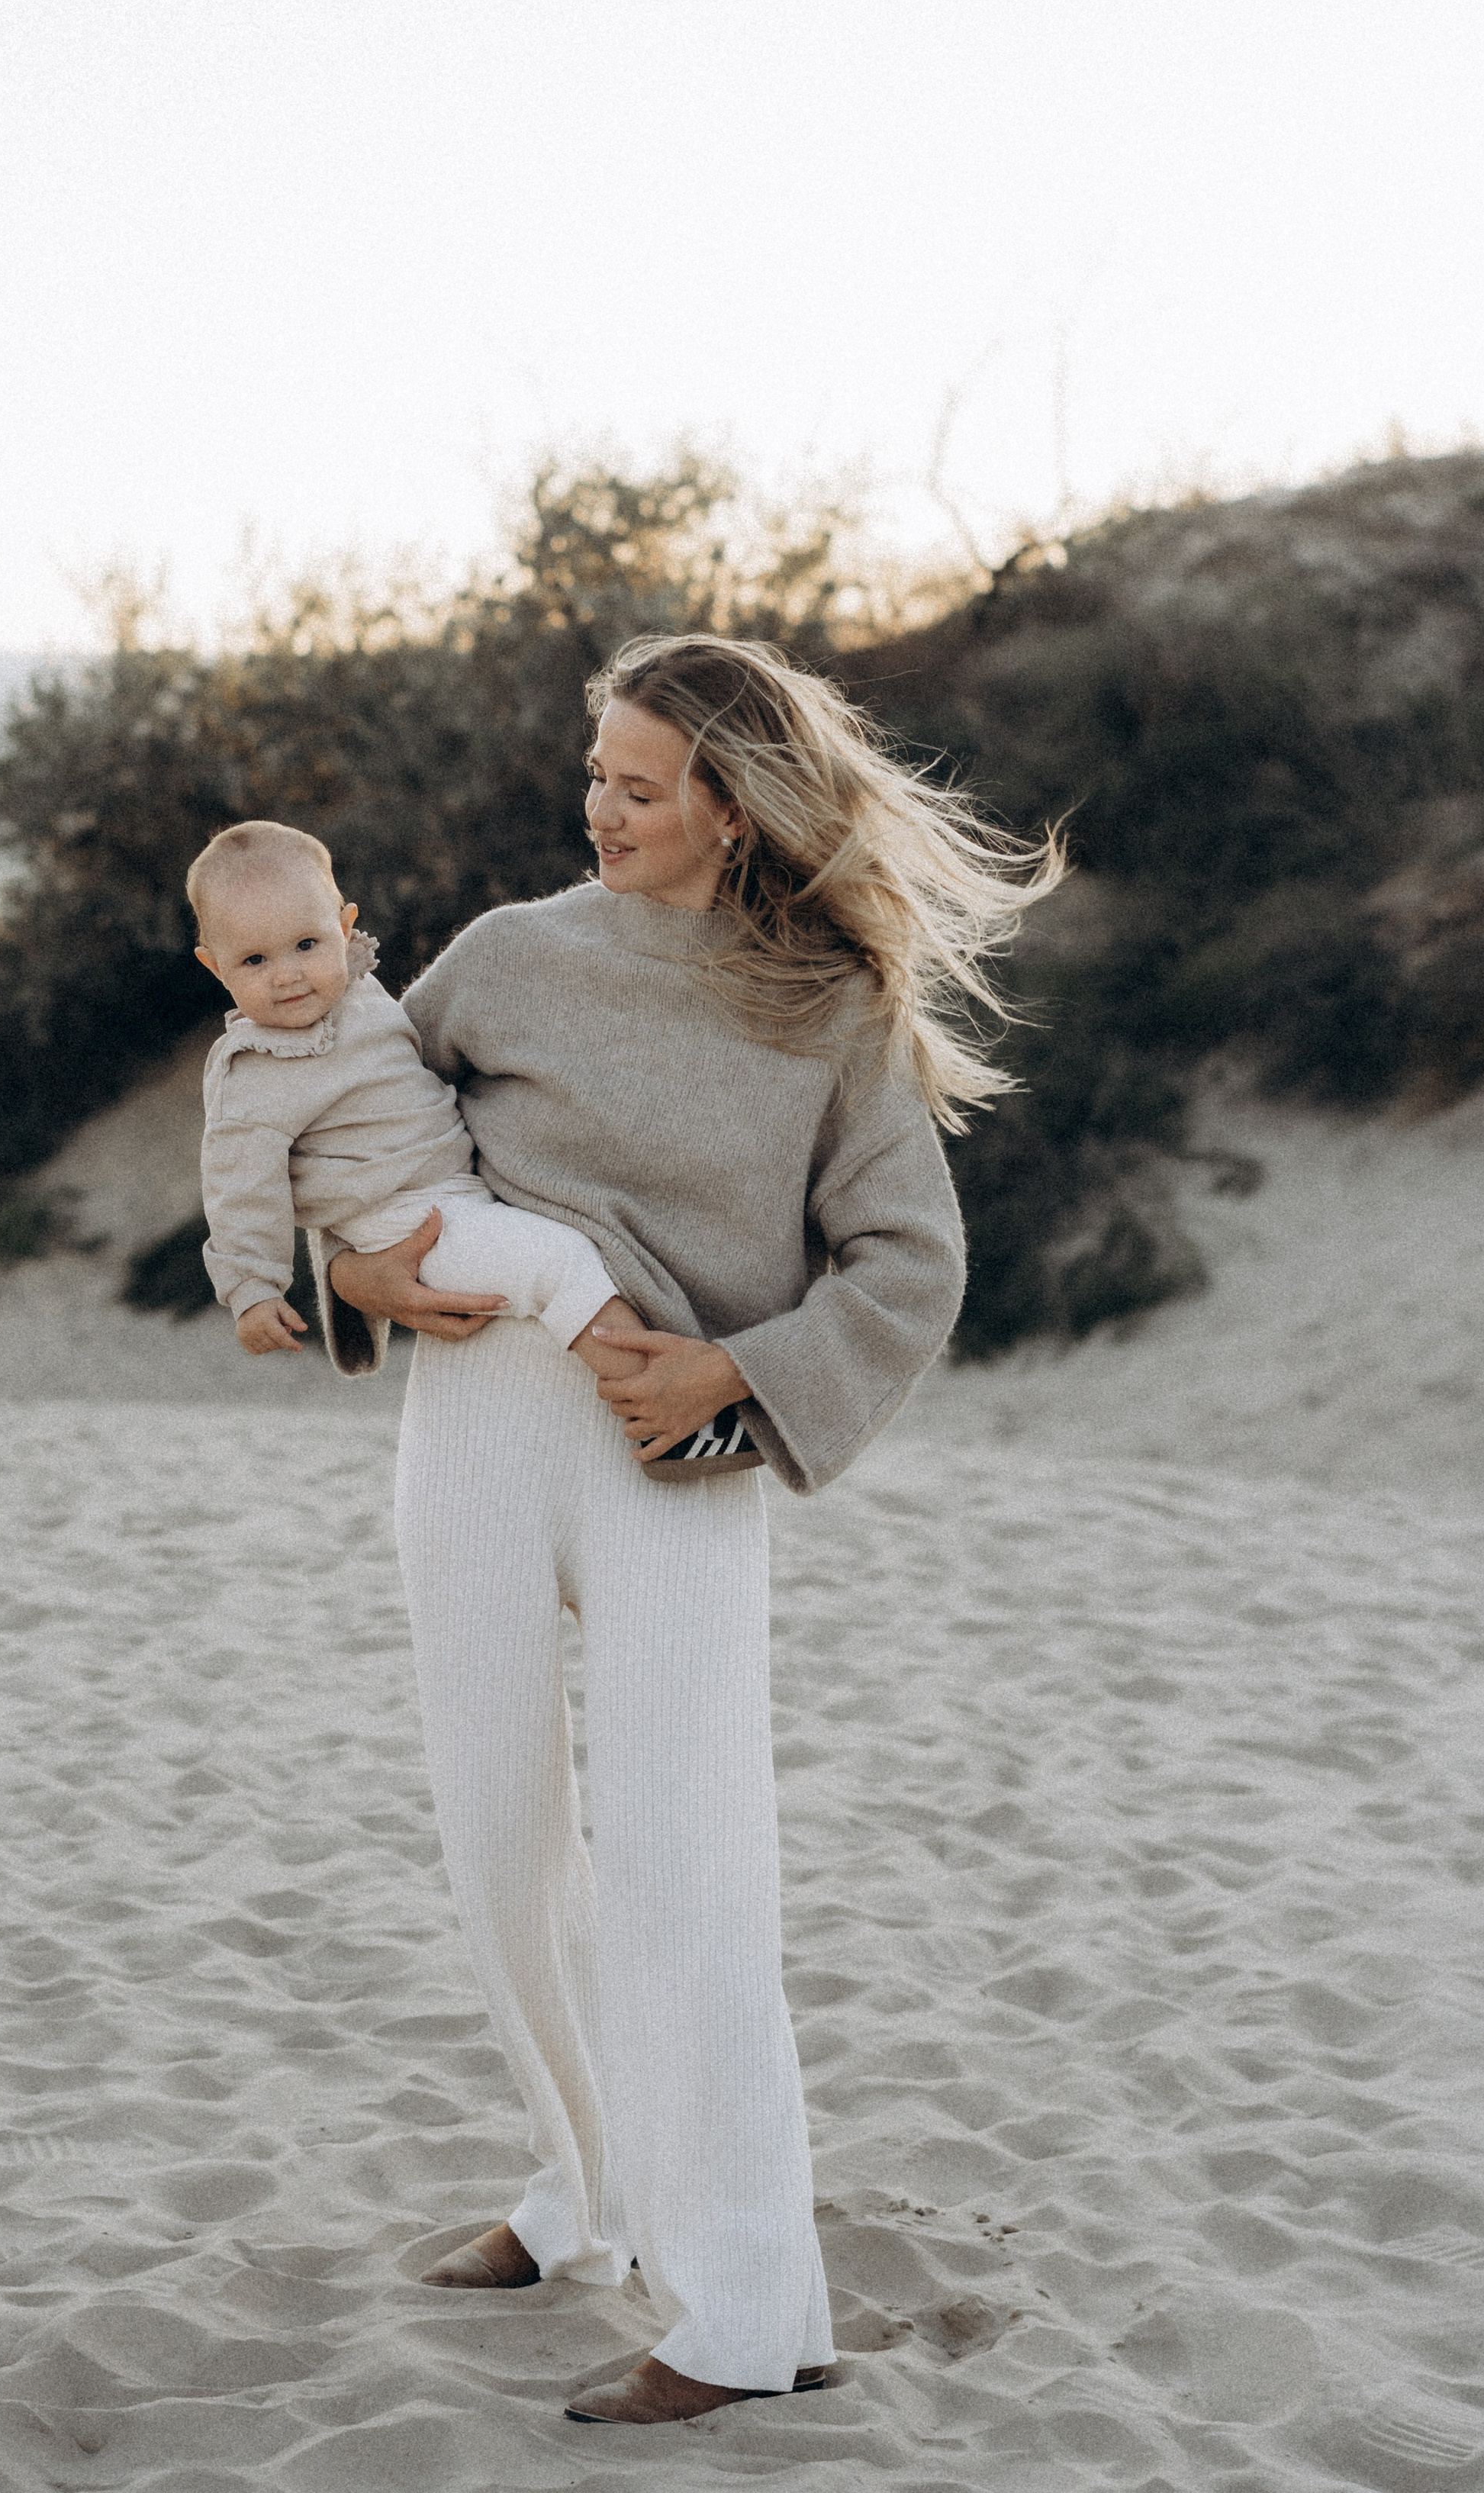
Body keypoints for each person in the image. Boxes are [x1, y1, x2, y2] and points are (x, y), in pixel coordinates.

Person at [324, 633, 1061, 2427]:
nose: (601, 808)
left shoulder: (826, 1008)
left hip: (681, 1453)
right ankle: (575, 2193)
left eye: (639, 787)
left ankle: (742, 2314)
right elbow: (346, 1132)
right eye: (596, 774)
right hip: (475, 1422)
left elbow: (909, 1264)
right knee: (499, 1843)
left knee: (684, 1868)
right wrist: (352, 1271)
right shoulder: (506, 956)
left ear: (731, 808)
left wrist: (732, 1370)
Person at [188, 818, 759, 1476]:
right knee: (558, 1265)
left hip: (458, 1194)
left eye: (306, 945)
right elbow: (240, 1187)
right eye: (255, 962)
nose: (288, 975)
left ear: (344, 929)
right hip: (407, 1222)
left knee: (592, 1250)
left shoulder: (363, 995)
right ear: (215, 966)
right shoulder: (253, 1071)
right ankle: (667, 1418)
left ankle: (677, 1382)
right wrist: (254, 1290)